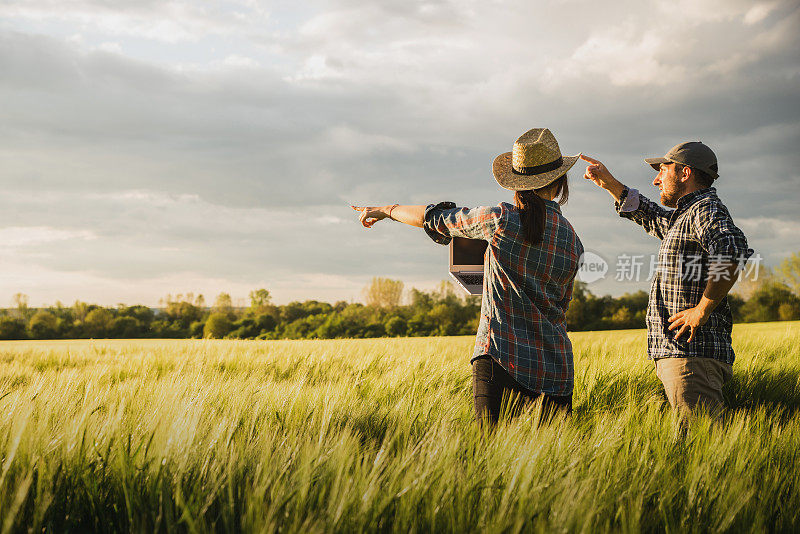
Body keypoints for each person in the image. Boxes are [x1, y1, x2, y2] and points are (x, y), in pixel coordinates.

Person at [352, 128, 584, 426]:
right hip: (556, 371)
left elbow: (434, 218)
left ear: (516, 184)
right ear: (561, 180)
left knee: (488, 460)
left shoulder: (501, 220)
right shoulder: (572, 240)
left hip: (503, 359)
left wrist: (386, 209)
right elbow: (560, 308)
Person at [580, 142, 753, 416]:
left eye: (663, 170)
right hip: (684, 357)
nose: (656, 179)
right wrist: (611, 184)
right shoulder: (686, 215)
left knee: (698, 448)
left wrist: (701, 311)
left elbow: (731, 252)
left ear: (685, 173)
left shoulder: (704, 210)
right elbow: (651, 216)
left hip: (692, 358)